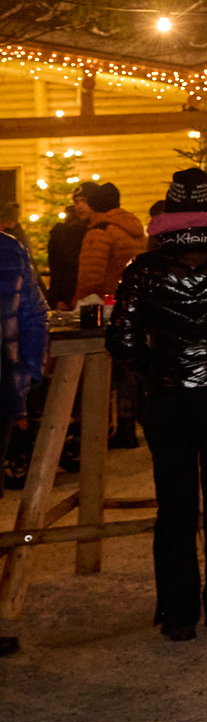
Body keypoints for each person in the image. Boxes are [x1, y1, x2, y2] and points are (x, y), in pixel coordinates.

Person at [107, 169, 207, 643]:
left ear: (167, 212)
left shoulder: (143, 270)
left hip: (169, 398)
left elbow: (123, 340)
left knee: (174, 505)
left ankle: (178, 614)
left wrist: (157, 368)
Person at [1, 220, 48, 547]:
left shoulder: (9, 249)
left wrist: (28, 372)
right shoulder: (9, 248)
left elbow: (33, 315)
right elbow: (34, 316)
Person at [73, 182, 145, 304]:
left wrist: (76, 302)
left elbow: (90, 279)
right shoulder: (132, 228)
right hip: (133, 300)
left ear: (93, 205)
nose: (79, 207)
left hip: (106, 304)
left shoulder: (99, 231)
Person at [44, 182, 98, 311]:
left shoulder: (100, 230)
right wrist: (57, 299)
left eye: (84, 201)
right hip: (68, 301)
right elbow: (57, 270)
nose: (79, 206)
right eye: (76, 202)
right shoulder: (65, 233)